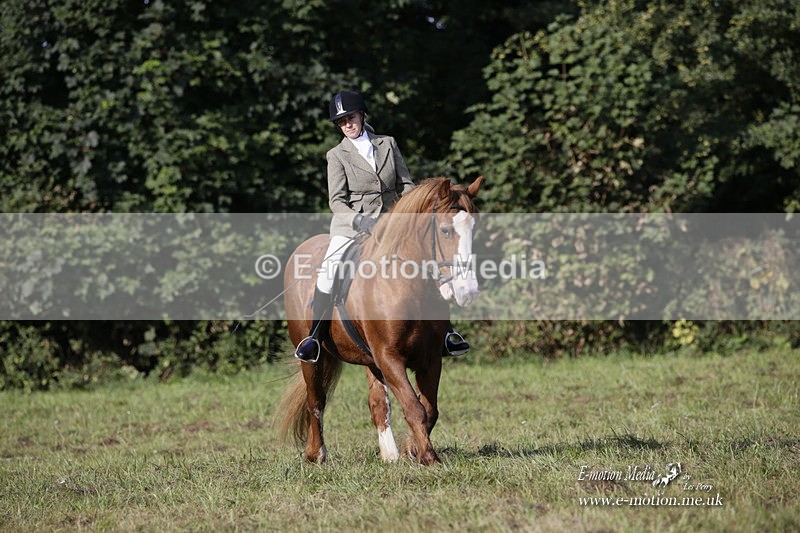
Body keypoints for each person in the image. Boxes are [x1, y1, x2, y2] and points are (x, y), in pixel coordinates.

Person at [294, 90, 469, 362]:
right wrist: (360, 220)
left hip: (395, 223)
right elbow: (336, 201)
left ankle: (446, 332)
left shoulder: (387, 144)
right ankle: (314, 337)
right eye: (341, 122)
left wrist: (404, 213)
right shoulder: (337, 155)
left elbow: (406, 185)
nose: (347, 125)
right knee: (329, 270)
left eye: (351, 118)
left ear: (362, 116)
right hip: (353, 226)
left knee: (432, 263)